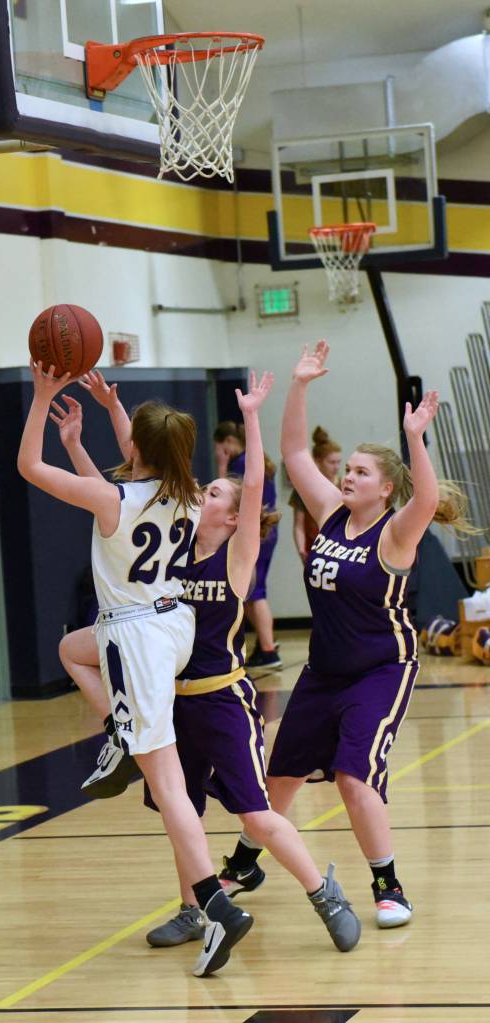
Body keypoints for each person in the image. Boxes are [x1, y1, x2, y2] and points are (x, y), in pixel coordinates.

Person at [52, 370, 362, 956]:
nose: (204, 494)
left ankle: (326, 894)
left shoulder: (238, 557)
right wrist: (111, 414)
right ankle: (193, 910)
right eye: (206, 490)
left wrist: (251, 417)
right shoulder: (173, 544)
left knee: (257, 816)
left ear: (234, 516)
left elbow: (253, 483)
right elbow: (135, 476)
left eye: (216, 493)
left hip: (222, 699)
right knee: (182, 811)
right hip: (173, 701)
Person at [223, 340, 470, 930]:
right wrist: (300, 384)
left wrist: (415, 438)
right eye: (348, 468)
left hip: (381, 670)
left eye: (361, 471)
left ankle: (389, 886)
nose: (349, 475)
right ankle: (247, 862)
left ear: (385, 488)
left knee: (352, 777)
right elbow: (292, 452)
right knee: (280, 775)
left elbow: (426, 497)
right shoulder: (332, 513)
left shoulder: (396, 534)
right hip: (323, 670)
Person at [18, 360, 253, 979]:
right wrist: (100, 421)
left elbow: (29, 467)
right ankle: (120, 734)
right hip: (173, 627)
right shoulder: (188, 493)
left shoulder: (114, 498)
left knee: (169, 786)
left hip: (136, 637)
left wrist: (42, 399)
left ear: (136, 449)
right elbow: (140, 458)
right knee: (74, 649)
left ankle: (216, 908)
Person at [213, 419, 281, 669]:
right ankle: (266, 644)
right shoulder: (253, 460)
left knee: (256, 592)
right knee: (254, 591)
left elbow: (226, 499)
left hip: (257, 533)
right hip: (267, 532)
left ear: (229, 442)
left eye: (219, 447)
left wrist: (222, 467)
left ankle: (268, 649)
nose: (218, 453)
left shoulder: (239, 464)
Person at [289, 426, 342, 562]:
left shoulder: (345, 486)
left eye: (339, 462)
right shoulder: (304, 487)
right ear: (317, 462)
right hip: (314, 545)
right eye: (332, 462)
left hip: (340, 547)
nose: (336, 467)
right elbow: (299, 524)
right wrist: (301, 549)